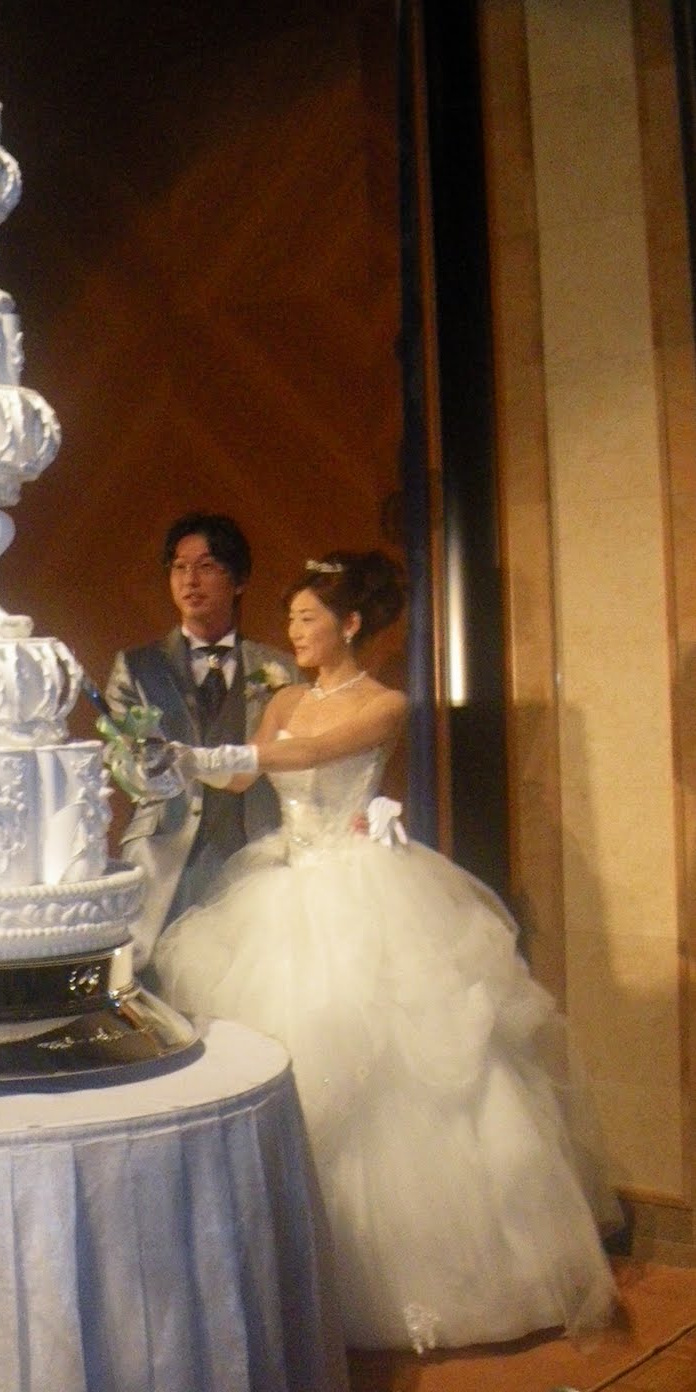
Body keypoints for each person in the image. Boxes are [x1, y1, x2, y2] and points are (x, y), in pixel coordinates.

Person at [151, 551, 620, 1354]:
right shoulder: (285, 697)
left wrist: (220, 757)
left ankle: (425, 1279)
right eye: (291, 619)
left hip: (360, 888)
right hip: (282, 879)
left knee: (393, 1074)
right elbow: (245, 782)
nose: (293, 632)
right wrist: (177, 761)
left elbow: (302, 757)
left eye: (306, 618)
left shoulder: (385, 704)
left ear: (350, 623)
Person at [104, 512, 295, 969]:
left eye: (207, 566)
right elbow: (122, 762)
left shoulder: (280, 668)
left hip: (254, 847)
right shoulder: (138, 666)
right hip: (166, 852)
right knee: (160, 984)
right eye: (178, 566)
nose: (190, 580)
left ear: (239, 579)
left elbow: (300, 757)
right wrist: (148, 766)